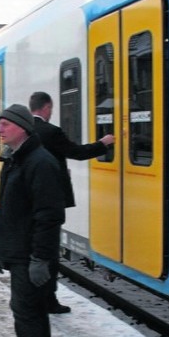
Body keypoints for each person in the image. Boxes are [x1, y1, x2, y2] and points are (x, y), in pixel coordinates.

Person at [0, 104, 65, 337]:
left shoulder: (39, 162)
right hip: (18, 247)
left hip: (30, 252)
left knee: (27, 312)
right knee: (30, 310)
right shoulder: (16, 159)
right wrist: (1, 247)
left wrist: (40, 258)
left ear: (22, 127)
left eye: (5, 124)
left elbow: (49, 215)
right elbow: (11, 211)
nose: (0, 128)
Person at [28, 91, 114, 314]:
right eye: (51, 108)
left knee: (35, 250)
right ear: (47, 108)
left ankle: (36, 294)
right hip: (50, 201)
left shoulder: (24, 130)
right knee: (49, 252)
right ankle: (48, 299)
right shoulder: (51, 131)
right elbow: (76, 152)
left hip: (29, 199)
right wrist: (103, 144)